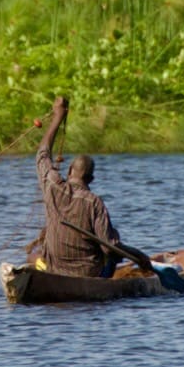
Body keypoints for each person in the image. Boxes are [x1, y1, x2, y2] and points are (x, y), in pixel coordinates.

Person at [34, 95, 155, 278]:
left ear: (69, 171)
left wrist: (57, 117)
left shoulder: (53, 186)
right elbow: (110, 248)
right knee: (113, 250)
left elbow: (42, 155)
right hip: (88, 275)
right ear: (91, 179)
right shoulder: (95, 203)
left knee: (35, 256)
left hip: (54, 271)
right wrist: (139, 255)